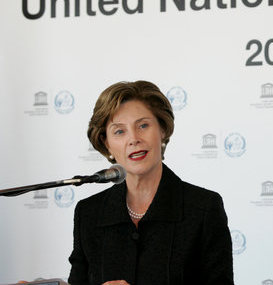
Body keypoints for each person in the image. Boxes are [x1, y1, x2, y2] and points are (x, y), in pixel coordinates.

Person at [68, 80, 234, 285]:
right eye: (119, 131)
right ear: (107, 144)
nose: (133, 139)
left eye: (143, 125)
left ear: (162, 130)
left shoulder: (203, 208)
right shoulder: (88, 213)